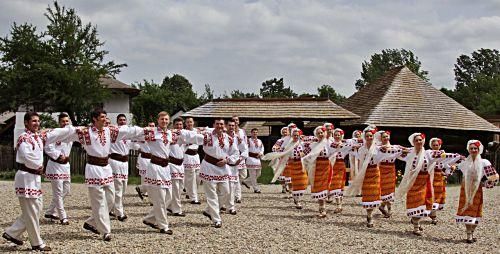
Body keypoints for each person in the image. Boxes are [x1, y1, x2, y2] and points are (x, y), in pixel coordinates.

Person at [67, 109, 145, 241]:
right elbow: (66, 133)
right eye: (102, 117)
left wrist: (147, 130)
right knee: (98, 202)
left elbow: (129, 131)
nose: (105, 119)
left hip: (107, 168)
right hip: (93, 168)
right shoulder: (86, 132)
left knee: (111, 198)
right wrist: (46, 135)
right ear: (94, 119)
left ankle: (91, 222)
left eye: (105, 117)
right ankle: (105, 231)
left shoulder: (110, 131)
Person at [3, 112, 74, 251]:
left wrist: (74, 129)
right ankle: (37, 242)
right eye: (34, 121)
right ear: (26, 123)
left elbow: (55, 133)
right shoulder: (24, 138)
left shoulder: (37, 137)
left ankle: (12, 232)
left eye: (38, 121)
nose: (37, 123)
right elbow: (26, 155)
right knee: (32, 211)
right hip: (26, 177)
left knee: (36, 209)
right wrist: (38, 165)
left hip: (34, 177)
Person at [142, 112, 203, 234]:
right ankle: (163, 225)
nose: (164, 121)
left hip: (165, 168)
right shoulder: (152, 132)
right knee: (160, 198)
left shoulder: (171, 134)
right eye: (161, 119)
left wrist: (206, 135)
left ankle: (150, 218)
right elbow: (133, 133)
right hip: (155, 167)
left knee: (169, 197)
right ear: (158, 120)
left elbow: (188, 136)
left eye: (166, 119)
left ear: (168, 121)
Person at [396, 133, 447, 236]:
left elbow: (442, 156)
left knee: (423, 203)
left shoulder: (428, 153)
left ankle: (417, 222)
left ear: (423, 141)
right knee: (414, 203)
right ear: (413, 142)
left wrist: (457, 157)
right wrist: (399, 149)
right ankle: (416, 226)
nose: (419, 142)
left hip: (424, 182)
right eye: (416, 140)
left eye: (420, 140)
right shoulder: (409, 153)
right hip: (413, 181)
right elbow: (393, 151)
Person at [453, 140, 498, 243]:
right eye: (471, 148)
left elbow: (493, 176)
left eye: (475, 148)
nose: (473, 150)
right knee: (467, 210)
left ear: (479, 150)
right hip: (465, 188)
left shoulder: (484, 162)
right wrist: (448, 169)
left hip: (476, 189)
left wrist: (486, 184)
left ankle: (472, 231)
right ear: (468, 149)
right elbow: (453, 166)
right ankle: (469, 234)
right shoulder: (465, 162)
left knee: (476, 211)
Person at [199, 118, 239, 228]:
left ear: (224, 125)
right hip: (209, 167)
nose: (219, 126)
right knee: (212, 195)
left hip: (223, 168)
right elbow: (193, 136)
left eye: (221, 124)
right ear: (213, 125)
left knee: (226, 193)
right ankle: (216, 219)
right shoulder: (207, 136)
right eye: (217, 124)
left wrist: (227, 160)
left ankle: (209, 211)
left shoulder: (229, 139)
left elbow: (236, 153)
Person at [263, 128, 308, 209]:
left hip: (301, 165)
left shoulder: (302, 143)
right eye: (294, 135)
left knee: (303, 182)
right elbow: (276, 149)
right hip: (292, 164)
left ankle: (296, 196)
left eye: (297, 135)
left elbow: (311, 146)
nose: (296, 137)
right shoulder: (286, 144)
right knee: (293, 182)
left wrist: (304, 153)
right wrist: (282, 154)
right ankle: (297, 200)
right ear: (291, 135)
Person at [43, 113, 73, 225]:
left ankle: (50, 211)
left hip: (66, 166)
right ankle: (62, 216)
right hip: (55, 164)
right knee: (58, 192)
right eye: (63, 121)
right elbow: (47, 146)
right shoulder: (54, 133)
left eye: (67, 121)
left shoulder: (71, 133)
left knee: (67, 190)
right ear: (59, 122)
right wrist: (58, 155)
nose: (65, 123)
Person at [427, 137, 461, 224]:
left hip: (439, 178)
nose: (435, 146)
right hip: (429, 177)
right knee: (428, 195)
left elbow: (446, 164)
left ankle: (433, 215)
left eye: (437, 145)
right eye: (434, 145)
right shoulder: (428, 154)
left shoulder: (443, 155)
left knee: (437, 196)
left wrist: (450, 168)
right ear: (431, 145)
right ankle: (427, 214)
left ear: (440, 145)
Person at [108, 114, 135, 222]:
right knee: (118, 188)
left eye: (124, 120)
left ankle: (112, 208)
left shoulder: (128, 134)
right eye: (120, 120)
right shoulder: (113, 133)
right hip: (115, 161)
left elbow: (135, 145)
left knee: (123, 188)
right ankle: (119, 213)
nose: (123, 121)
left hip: (125, 163)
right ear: (117, 121)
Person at [183, 117, 202, 204]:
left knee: (198, 177)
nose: (189, 123)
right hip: (188, 155)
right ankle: (193, 198)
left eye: (191, 122)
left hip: (196, 156)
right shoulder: (183, 132)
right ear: (185, 123)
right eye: (187, 122)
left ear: (193, 122)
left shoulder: (196, 131)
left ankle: (189, 192)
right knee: (191, 178)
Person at [135, 121, 156, 201]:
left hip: (153, 158)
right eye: (150, 125)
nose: (151, 127)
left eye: (153, 125)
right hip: (144, 158)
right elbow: (134, 143)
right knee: (144, 176)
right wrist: (139, 147)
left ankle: (142, 189)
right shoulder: (142, 136)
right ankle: (145, 192)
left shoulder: (157, 136)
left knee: (153, 176)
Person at [232, 115, 248, 203]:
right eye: (233, 120)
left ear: (239, 121)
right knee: (236, 178)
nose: (235, 121)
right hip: (233, 156)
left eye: (237, 120)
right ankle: (237, 196)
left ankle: (237, 192)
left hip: (241, 155)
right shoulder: (229, 131)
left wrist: (245, 154)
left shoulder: (242, 131)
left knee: (243, 175)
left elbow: (245, 143)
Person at [243, 128, 264, 193]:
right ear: (251, 133)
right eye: (253, 132)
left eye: (256, 132)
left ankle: (246, 181)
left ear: (257, 133)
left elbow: (262, 148)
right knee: (253, 175)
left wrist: (260, 153)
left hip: (257, 159)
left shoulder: (260, 141)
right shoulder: (248, 140)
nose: (255, 133)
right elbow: (245, 148)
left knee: (258, 174)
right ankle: (256, 188)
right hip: (251, 159)